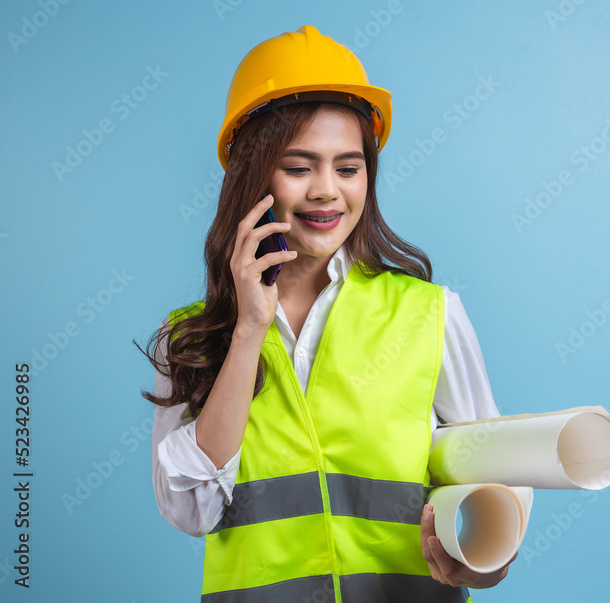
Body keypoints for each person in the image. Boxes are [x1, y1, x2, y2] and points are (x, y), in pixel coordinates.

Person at [137, 25, 515, 602]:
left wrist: (484, 563)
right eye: (298, 167)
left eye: (348, 167)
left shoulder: (429, 314)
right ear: (251, 174)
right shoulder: (191, 337)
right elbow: (190, 510)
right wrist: (247, 331)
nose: (326, 191)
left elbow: (492, 484)